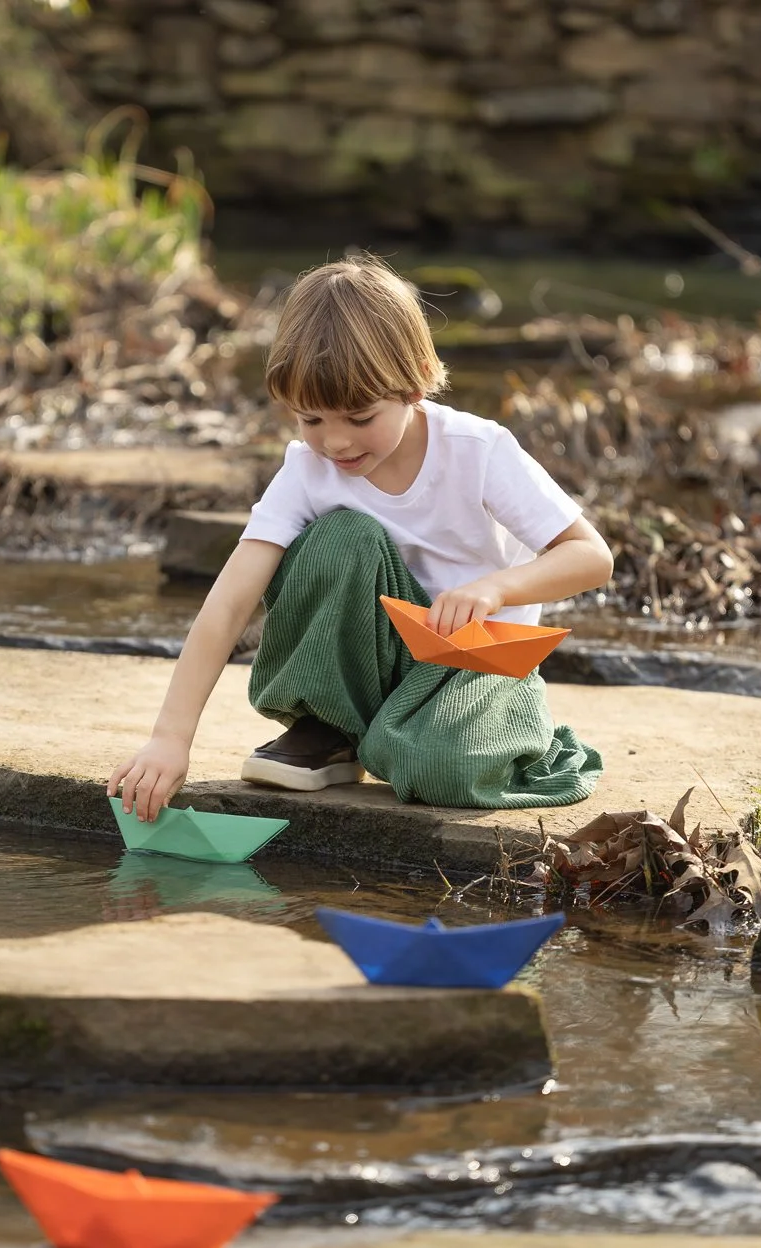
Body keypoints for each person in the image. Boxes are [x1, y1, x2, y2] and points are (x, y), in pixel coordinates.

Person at [109, 254, 611, 822]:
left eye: (359, 417)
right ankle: (332, 728)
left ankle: (503, 737)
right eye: (311, 420)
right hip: (376, 661)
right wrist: (170, 738)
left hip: (475, 660)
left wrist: (496, 588)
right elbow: (229, 602)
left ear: (416, 381)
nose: (336, 443)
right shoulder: (307, 470)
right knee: (342, 535)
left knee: (438, 771)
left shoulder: (477, 450)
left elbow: (591, 557)